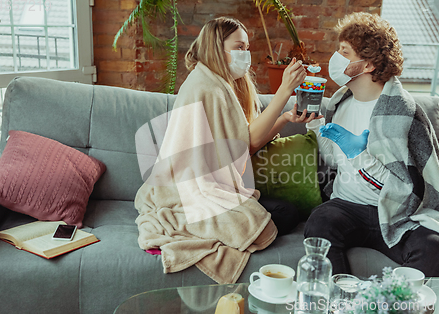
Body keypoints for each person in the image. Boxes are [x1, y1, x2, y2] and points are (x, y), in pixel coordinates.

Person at [134, 16, 319, 284]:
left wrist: (285, 119)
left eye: (247, 48)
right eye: (239, 47)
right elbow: (242, 145)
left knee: (285, 212)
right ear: (217, 47)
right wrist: (283, 92)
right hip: (191, 188)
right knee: (282, 215)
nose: (246, 54)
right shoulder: (205, 86)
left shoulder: (222, 84)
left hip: (220, 184)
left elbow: (247, 144)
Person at [304, 12, 439, 277]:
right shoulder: (340, 104)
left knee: (437, 248)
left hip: (397, 213)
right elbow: (335, 160)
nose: (335, 59)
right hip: (346, 207)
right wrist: (315, 125)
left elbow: (401, 187)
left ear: (368, 64)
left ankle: (383, 303)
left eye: (344, 52)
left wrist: (359, 155)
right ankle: (340, 301)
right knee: (320, 221)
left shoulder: (402, 112)